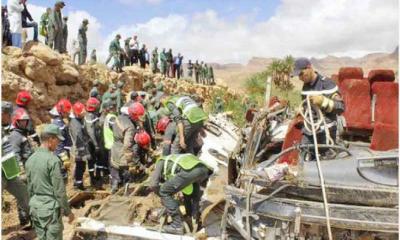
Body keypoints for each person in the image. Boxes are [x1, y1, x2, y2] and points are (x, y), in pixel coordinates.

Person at [25, 124, 75, 239]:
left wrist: (32, 207)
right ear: (50, 139)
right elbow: (59, 191)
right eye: (57, 140)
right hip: (50, 211)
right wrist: (68, 212)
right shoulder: (53, 160)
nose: (58, 144)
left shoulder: (30, 160)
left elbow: (30, 188)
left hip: (35, 208)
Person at [291, 58, 345, 159]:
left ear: (309, 68)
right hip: (309, 131)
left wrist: (323, 102)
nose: (300, 78)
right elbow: (306, 106)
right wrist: (301, 110)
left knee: (326, 162)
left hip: (326, 132)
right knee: (303, 158)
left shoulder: (327, 84)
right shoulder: (305, 87)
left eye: (302, 73)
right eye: (299, 75)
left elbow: (341, 107)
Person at [149, 153, 214, 234]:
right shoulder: (173, 160)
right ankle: (192, 221)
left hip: (189, 171)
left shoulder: (160, 162)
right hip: (203, 170)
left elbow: (153, 184)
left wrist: (163, 196)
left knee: (164, 191)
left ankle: (177, 226)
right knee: (192, 197)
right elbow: (187, 192)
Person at [2, 101, 30, 227]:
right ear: (2, 114)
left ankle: (37, 219)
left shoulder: (4, 130)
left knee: (24, 194)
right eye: (9, 115)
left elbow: (8, 152)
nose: (11, 118)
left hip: (9, 172)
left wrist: (18, 171)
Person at [110, 102, 145, 193]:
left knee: (115, 170)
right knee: (126, 174)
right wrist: (131, 163)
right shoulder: (130, 127)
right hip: (123, 151)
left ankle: (114, 188)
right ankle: (125, 193)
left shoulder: (118, 118)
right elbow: (127, 145)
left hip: (115, 148)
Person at [69, 102, 91, 190]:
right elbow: (78, 138)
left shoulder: (79, 120)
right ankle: (78, 185)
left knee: (81, 166)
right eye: (82, 113)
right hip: (78, 149)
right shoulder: (75, 123)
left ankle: (79, 183)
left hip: (81, 147)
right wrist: (82, 151)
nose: (84, 114)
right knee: (80, 166)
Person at [49, 99, 73, 181]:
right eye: (66, 112)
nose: (68, 114)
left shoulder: (60, 121)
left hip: (62, 153)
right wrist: (64, 157)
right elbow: (59, 143)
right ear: (61, 111)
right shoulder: (58, 124)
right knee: (61, 177)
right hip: (60, 155)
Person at [84, 97, 102, 187]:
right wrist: (96, 145)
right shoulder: (90, 117)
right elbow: (91, 131)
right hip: (92, 143)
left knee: (92, 161)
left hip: (90, 142)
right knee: (94, 160)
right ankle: (94, 178)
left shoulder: (89, 115)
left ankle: (94, 177)